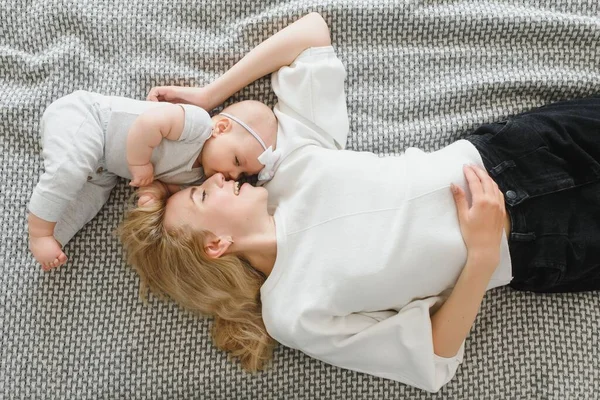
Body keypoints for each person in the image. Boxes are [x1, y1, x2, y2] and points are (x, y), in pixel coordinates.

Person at [118, 13, 600, 393]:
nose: (220, 179)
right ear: (216, 245)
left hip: (518, 151)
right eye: (204, 194)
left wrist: (209, 95)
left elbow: (310, 35)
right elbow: (433, 359)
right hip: (543, 244)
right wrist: (481, 256)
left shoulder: (288, 168)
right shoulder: (291, 314)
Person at [28, 90, 278, 270]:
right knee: (70, 171)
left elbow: (163, 186)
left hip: (106, 168)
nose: (231, 176)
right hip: (90, 121)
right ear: (221, 128)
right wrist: (140, 163)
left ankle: (58, 236)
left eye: (242, 175)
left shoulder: (196, 176)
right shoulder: (197, 124)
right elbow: (148, 124)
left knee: (91, 201)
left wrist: (152, 196)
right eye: (236, 161)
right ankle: (40, 232)